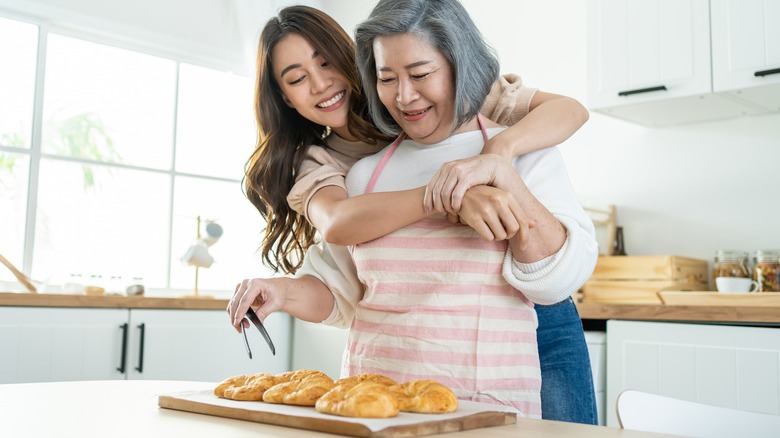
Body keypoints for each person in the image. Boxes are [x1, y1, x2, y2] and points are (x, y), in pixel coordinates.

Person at [229, 1, 598, 421]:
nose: (405, 96)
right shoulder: (338, 169)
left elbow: (570, 110)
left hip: (527, 341)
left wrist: (498, 158)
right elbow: (342, 255)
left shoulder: (507, 132)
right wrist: (282, 291)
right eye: (296, 79)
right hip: (387, 396)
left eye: (420, 75)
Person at [243, 5, 589, 275]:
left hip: (535, 280)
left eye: (327, 63)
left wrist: (499, 151)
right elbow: (336, 221)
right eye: (298, 79)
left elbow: (569, 109)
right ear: (285, 97)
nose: (320, 85)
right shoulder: (320, 162)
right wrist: (451, 196)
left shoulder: (441, 95)